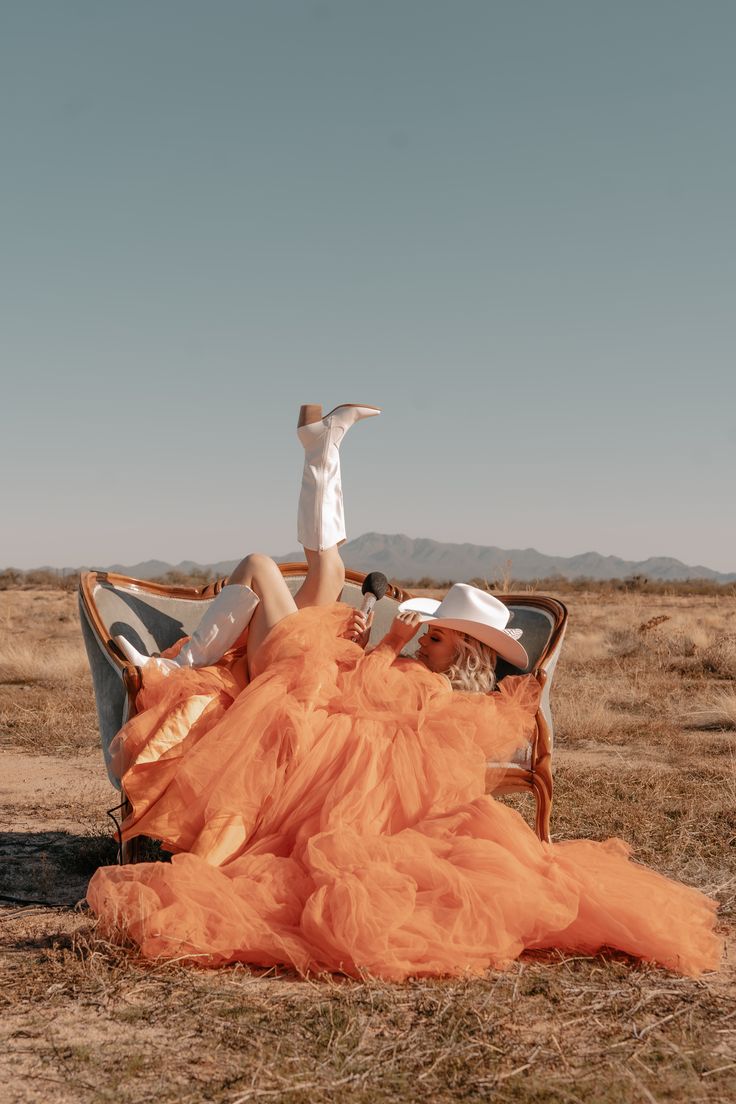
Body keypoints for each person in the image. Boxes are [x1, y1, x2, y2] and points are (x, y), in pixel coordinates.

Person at [91, 403, 722, 981]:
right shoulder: (424, 671)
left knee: (259, 564)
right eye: (432, 634)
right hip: (314, 669)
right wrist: (373, 642)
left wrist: (387, 650)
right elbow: (366, 684)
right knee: (332, 571)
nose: (427, 642)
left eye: (439, 640)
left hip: (298, 683)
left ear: (463, 657)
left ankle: (180, 664)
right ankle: (322, 448)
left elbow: (367, 704)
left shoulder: (435, 690)